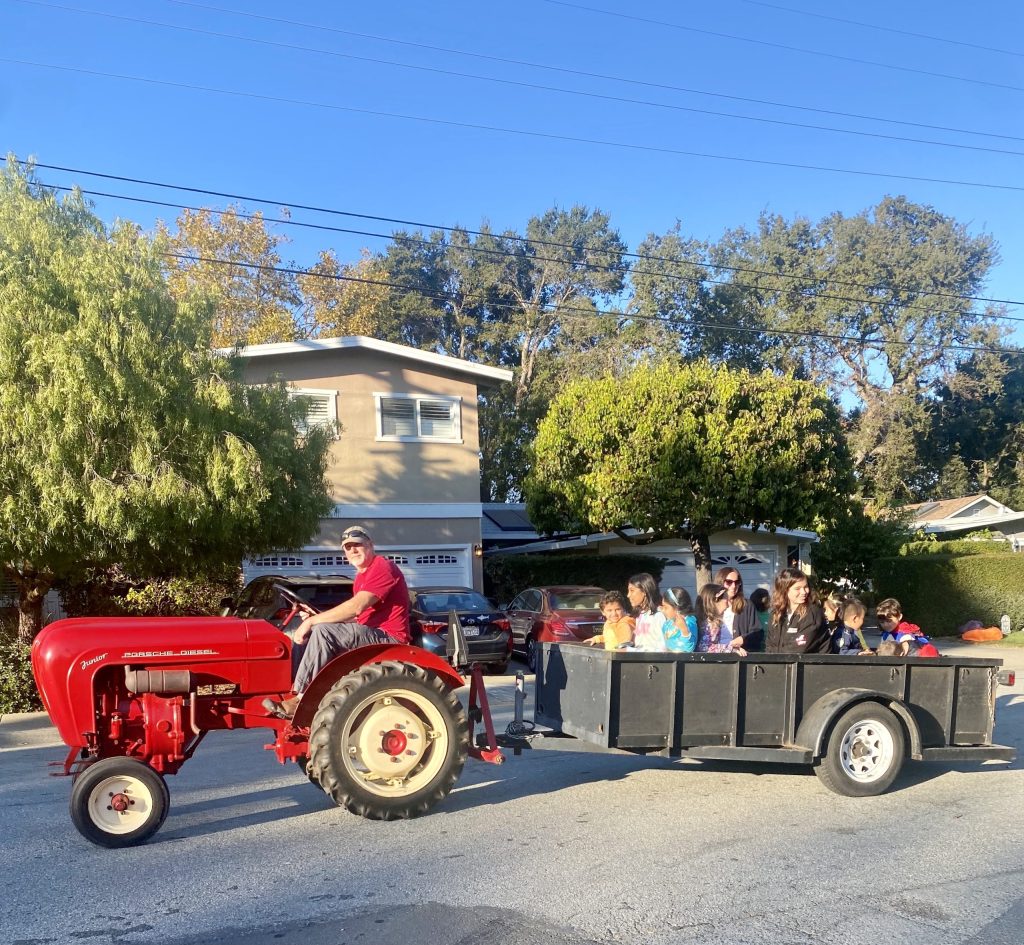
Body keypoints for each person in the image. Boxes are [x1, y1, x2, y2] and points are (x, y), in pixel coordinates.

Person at [263, 525, 411, 718]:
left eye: (357, 544)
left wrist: (313, 621)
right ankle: (289, 688)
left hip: (389, 638)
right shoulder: (361, 577)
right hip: (369, 632)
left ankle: (300, 699)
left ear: (370, 545)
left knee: (323, 631)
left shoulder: (382, 566)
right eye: (348, 548)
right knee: (308, 635)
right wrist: (316, 617)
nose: (353, 550)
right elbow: (357, 616)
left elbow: (357, 606)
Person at [765, 568, 831, 654]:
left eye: (805, 587)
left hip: (811, 666)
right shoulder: (776, 614)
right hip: (783, 665)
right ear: (784, 590)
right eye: (798, 588)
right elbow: (770, 645)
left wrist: (777, 658)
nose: (804, 592)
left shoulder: (813, 612)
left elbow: (799, 648)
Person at [714, 566, 764, 652]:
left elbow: (758, 632)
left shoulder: (747, 605)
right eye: (729, 582)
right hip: (715, 656)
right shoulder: (711, 605)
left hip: (739, 657)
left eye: (737, 582)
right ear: (720, 582)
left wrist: (744, 639)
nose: (734, 586)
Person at [875, 597, 940, 657]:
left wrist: (909, 639)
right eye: (882, 622)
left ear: (899, 617)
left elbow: (922, 642)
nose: (885, 625)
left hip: (919, 660)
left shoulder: (906, 631)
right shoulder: (886, 634)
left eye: (889, 621)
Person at [696, 583, 744, 654]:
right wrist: (731, 649)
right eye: (726, 600)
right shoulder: (709, 623)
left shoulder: (711, 620)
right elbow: (705, 647)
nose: (728, 605)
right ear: (716, 599)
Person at [626, 573, 667, 652]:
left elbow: (663, 648)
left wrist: (630, 650)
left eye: (632, 590)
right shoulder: (639, 615)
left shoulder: (658, 615)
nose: (628, 595)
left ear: (644, 591)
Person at [660, 586, 698, 652]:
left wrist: (684, 630)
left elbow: (689, 648)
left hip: (683, 661)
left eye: (666, 607)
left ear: (677, 608)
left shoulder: (689, 622)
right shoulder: (668, 623)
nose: (663, 610)